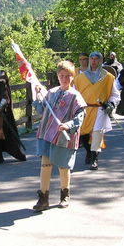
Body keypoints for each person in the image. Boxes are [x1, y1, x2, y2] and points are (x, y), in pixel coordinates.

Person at [31, 60, 86, 212]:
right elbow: (42, 110)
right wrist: (37, 96)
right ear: (57, 76)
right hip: (47, 134)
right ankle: (43, 198)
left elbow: (81, 115)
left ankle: (65, 194)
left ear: (73, 77)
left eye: (68, 76)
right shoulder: (51, 92)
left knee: (63, 166)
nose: (64, 78)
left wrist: (68, 125)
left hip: (64, 136)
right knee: (45, 164)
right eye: (62, 75)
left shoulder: (75, 96)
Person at [73, 51, 119, 170]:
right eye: (92, 58)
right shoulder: (80, 78)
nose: (94, 61)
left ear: (100, 61)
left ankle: (94, 159)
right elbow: (73, 93)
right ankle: (89, 151)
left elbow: (115, 94)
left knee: (97, 134)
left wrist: (111, 104)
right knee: (82, 134)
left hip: (100, 109)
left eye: (96, 59)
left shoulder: (108, 77)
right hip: (84, 109)